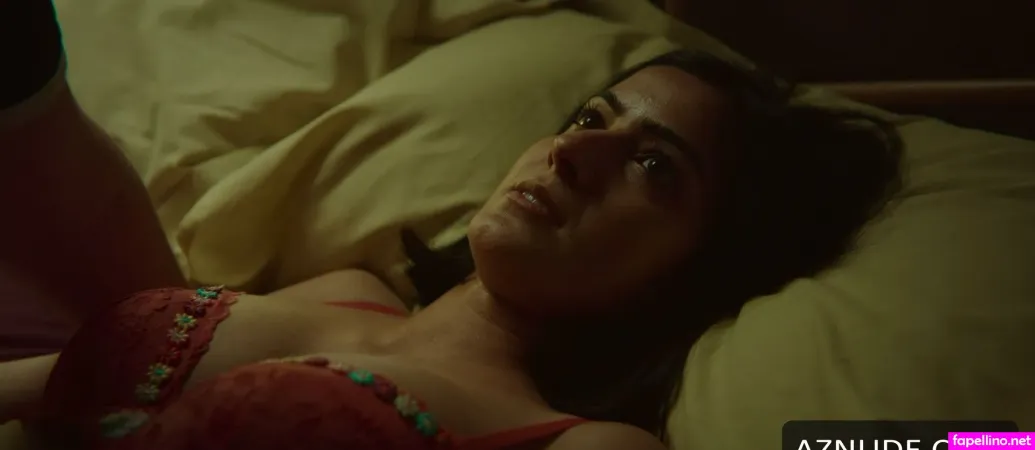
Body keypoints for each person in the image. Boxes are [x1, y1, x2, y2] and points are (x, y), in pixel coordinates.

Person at [0, 2, 902, 449]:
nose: (575, 153)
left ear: (699, 266)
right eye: (590, 118)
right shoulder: (343, 291)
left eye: (653, 165)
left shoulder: (580, 441)